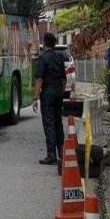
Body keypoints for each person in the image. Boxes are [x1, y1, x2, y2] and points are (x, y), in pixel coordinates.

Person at [33, 32, 68, 165]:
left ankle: (51, 154)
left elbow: (39, 79)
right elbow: (64, 80)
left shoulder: (43, 58)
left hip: (47, 93)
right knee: (58, 122)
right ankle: (62, 151)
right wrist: (61, 92)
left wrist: (35, 98)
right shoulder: (59, 57)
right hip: (59, 92)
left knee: (49, 123)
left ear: (44, 43)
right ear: (53, 43)